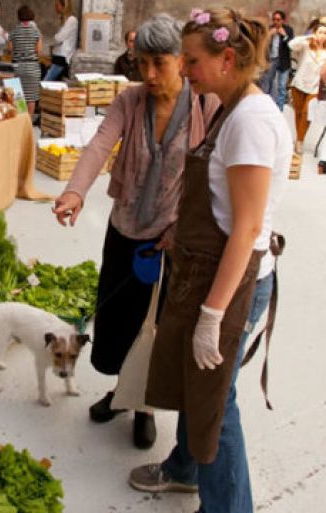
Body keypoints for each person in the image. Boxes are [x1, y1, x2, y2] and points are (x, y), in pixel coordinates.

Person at [129, 8, 290, 513]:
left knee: (217, 402)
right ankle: (183, 468)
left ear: (226, 59)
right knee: (196, 388)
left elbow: (245, 228)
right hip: (203, 268)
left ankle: (228, 506)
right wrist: (181, 229)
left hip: (230, 282)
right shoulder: (228, 104)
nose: (185, 69)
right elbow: (222, 204)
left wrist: (213, 316)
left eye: (192, 60)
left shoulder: (252, 123)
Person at [52, 14, 220, 449]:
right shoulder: (129, 102)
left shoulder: (205, 107)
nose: (148, 74)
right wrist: (75, 192)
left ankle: (144, 406)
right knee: (121, 321)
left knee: (156, 327)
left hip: (168, 242)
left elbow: (210, 183)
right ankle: (120, 394)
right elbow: (98, 146)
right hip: (124, 230)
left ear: (181, 60)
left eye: (158, 63)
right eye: (141, 62)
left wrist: (180, 229)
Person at [288, 23, 326, 154]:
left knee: (307, 114)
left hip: (315, 88)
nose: (322, 35)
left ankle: (299, 140)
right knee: (298, 113)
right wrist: (308, 37)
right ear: (315, 33)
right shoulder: (305, 46)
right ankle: (299, 138)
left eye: (325, 33)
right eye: (320, 32)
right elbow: (291, 44)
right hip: (299, 84)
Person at [9, 6, 42, 116]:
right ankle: (29, 124)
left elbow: (10, 49)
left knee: (18, 97)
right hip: (32, 67)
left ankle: (21, 122)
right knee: (31, 98)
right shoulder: (36, 32)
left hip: (17, 67)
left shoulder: (14, 32)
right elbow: (38, 50)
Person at [259, 10, 293, 111]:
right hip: (271, 60)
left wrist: (285, 36)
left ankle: (279, 110)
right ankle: (265, 107)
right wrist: (269, 36)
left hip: (284, 61)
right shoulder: (269, 29)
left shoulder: (288, 30)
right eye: (274, 19)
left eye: (278, 20)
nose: (275, 22)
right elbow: (262, 44)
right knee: (266, 84)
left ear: (283, 20)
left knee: (282, 87)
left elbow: (292, 45)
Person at [43, 0, 77, 81]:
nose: (55, 8)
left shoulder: (71, 20)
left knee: (46, 82)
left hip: (62, 58)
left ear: (64, 6)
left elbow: (59, 38)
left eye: (57, 5)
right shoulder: (64, 20)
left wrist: (54, 39)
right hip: (58, 57)